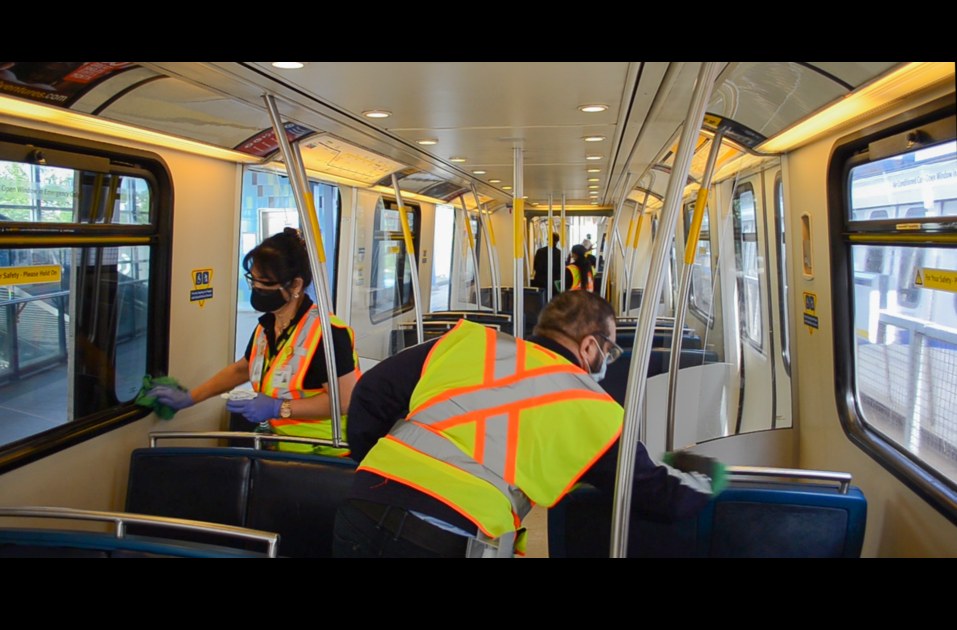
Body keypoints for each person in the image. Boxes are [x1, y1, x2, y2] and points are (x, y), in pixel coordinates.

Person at [334, 291, 723, 558]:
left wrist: (383, 472)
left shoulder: (467, 343)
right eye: (611, 349)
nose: (609, 360)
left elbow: (370, 395)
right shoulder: (595, 410)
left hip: (361, 507)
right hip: (448, 537)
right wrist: (710, 478)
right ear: (591, 347)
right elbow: (658, 495)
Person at [147, 228, 360, 456]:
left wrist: (279, 408)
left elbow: (345, 401)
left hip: (326, 454)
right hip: (282, 448)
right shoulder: (268, 324)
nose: (257, 289)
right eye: (253, 280)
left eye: (266, 283)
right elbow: (243, 368)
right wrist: (190, 397)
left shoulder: (328, 334)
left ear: (296, 285)